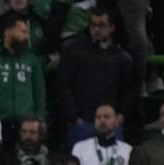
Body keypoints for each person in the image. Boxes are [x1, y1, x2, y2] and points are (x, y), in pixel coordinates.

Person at [55, 5, 136, 147]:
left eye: (102, 25)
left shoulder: (121, 57)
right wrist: (74, 117)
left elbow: (128, 89)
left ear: (112, 28)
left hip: (111, 124)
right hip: (82, 123)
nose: (96, 29)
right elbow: (63, 85)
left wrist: (121, 114)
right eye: (93, 24)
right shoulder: (74, 51)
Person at [0, 14, 46, 129]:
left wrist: (39, 119)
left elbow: (40, 94)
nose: (27, 36)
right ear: (8, 31)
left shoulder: (32, 60)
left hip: (27, 125)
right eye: (22, 32)